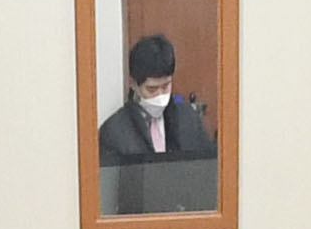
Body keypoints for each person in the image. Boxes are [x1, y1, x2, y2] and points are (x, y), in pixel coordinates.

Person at [93, 31, 218, 215]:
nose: (160, 96)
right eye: (152, 89)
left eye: (166, 86)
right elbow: (108, 203)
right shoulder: (113, 133)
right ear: (133, 84)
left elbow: (209, 180)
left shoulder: (189, 121)